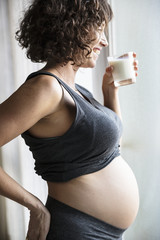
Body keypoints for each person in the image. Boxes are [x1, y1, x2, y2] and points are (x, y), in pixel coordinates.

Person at [0, 0, 139, 239]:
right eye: (99, 29)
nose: (104, 41)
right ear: (73, 26)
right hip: (76, 230)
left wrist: (110, 91)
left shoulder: (77, 90)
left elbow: (109, 151)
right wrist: (34, 206)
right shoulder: (46, 87)